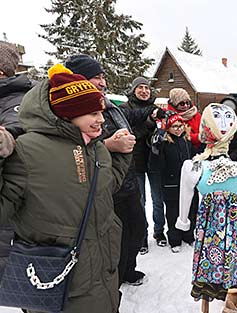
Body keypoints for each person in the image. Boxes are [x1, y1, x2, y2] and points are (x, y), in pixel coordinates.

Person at [0, 64, 133, 313]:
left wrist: (123, 155)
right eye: (92, 112)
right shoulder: (26, 151)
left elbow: (105, 188)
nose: (101, 119)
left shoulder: (95, 146)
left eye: (101, 111)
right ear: (66, 113)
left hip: (103, 273)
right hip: (58, 282)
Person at [65, 54, 164, 286]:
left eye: (102, 77)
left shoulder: (109, 106)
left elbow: (133, 115)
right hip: (102, 186)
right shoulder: (71, 110)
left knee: (137, 227)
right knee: (112, 237)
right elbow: (70, 147)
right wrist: (109, 145)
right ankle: (114, 279)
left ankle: (128, 269)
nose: (102, 82)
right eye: (95, 77)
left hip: (125, 179)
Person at [175, 103, 237, 303]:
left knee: (230, 261)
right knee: (208, 261)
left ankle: (226, 290)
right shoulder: (195, 166)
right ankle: (207, 287)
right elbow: (185, 197)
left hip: (231, 231)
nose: (224, 122)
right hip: (208, 230)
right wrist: (182, 219)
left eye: (229, 117)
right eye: (217, 117)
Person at [0, 41, 34, 281]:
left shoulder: (16, 98)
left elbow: (18, 127)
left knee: (18, 282)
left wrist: (6, 136)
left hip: (12, 199)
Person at [120, 77, 163, 252]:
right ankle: (141, 237)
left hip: (153, 160)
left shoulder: (156, 109)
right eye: (140, 88)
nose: (144, 91)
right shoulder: (124, 109)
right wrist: (149, 123)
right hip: (133, 161)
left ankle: (159, 232)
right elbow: (130, 131)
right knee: (140, 202)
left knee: (158, 199)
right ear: (133, 90)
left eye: (147, 88)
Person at [150, 112, 197, 253]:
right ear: (168, 128)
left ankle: (188, 235)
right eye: (174, 126)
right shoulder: (164, 143)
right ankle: (174, 238)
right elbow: (155, 166)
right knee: (173, 212)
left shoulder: (187, 141)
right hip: (171, 184)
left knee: (191, 209)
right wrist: (156, 150)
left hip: (188, 183)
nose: (178, 129)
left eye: (180, 125)